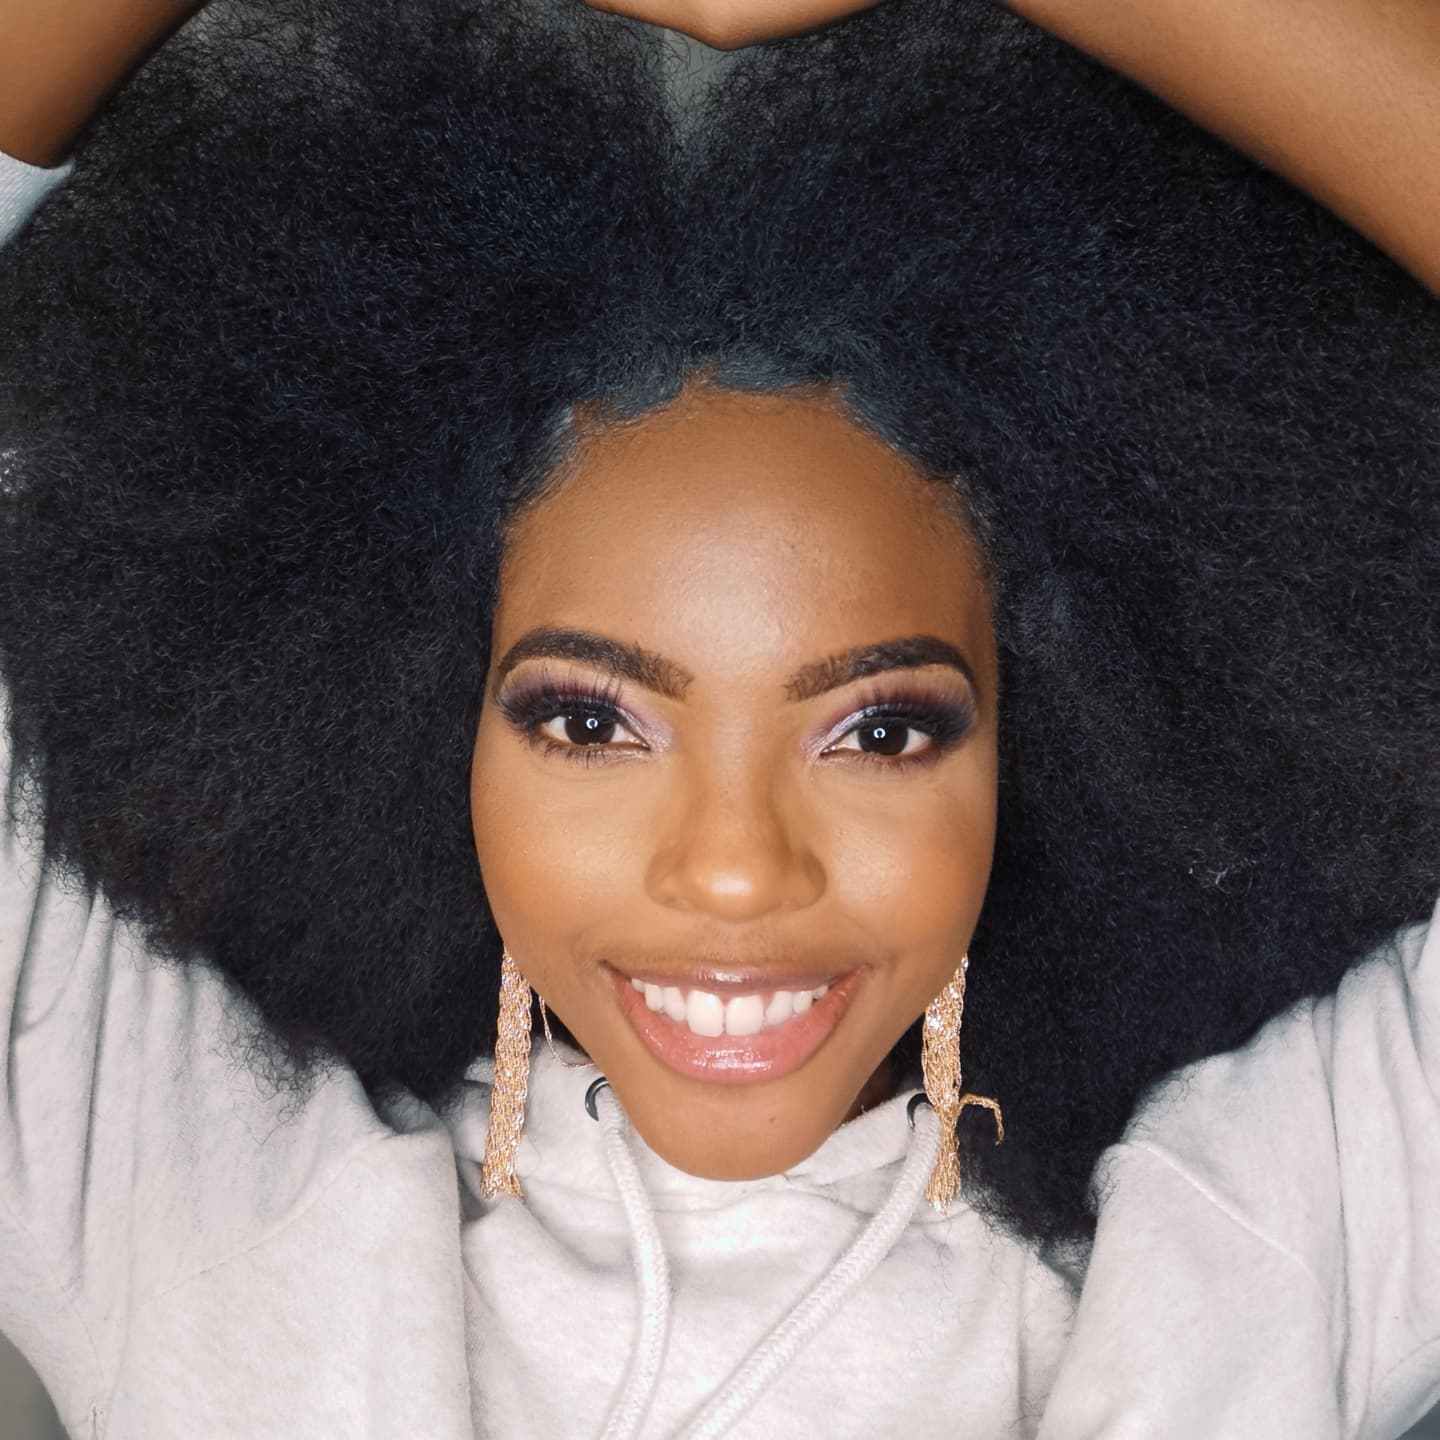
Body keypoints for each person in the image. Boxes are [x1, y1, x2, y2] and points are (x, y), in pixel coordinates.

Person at [0, 0, 1436, 1436]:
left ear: (1048, 743)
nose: (738, 870)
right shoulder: (170, 1185)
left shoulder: (1250, 1256)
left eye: (881, 733)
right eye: (589, 723)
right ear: (423, 725)